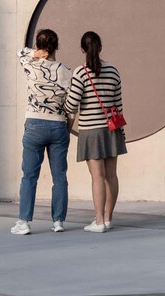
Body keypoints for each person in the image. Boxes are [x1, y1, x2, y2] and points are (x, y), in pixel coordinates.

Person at [64, 31, 127, 233]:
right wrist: (121, 132)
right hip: (112, 129)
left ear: (82, 50)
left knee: (97, 177)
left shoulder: (80, 73)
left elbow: (71, 105)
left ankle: (98, 221)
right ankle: (108, 218)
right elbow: (118, 105)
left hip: (91, 131)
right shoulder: (113, 71)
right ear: (100, 47)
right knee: (111, 176)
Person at [12, 28, 72, 236]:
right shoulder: (65, 70)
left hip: (35, 124)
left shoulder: (31, 64)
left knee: (29, 176)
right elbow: (71, 105)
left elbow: (19, 52)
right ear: (56, 46)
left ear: (38, 46)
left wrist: (36, 53)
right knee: (60, 176)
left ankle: (24, 222)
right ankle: (58, 221)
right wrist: (67, 128)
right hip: (58, 125)